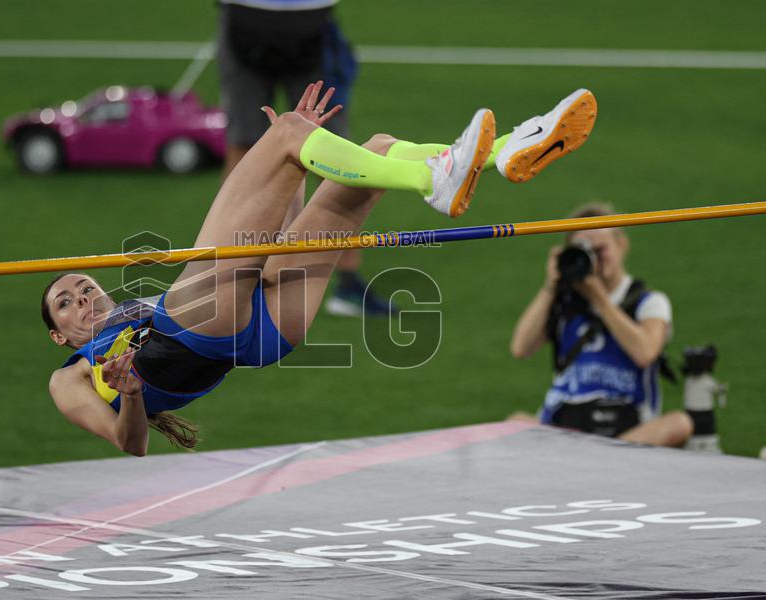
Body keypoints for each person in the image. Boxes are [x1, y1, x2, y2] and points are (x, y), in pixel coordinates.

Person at [45, 82, 597, 455]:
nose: (82, 299)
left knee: (376, 148)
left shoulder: (135, 310)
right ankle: (435, 177)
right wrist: (132, 392)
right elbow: (131, 445)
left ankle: (508, 150)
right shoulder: (70, 377)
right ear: (58, 335)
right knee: (287, 132)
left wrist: (296, 171)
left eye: (84, 287)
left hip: (261, 327)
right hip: (202, 335)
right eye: (65, 303)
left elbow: (268, 251)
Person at [216, 0, 394, 316]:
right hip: (245, 22)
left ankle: (348, 283)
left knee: (334, 153)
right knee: (244, 149)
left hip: (310, 26)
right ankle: (225, 277)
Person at [509, 202, 694, 447]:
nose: (595, 259)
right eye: (586, 252)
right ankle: (591, 458)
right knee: (515, 423)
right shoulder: (564, 303)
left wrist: (599, 299)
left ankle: (595, 456)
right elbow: (520, 348)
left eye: (601, 249)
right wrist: (550, 287)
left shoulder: (648, 302)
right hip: (564, 423)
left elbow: (646, 352)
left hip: (626, 429)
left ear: (622, 245)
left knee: (679, 423)